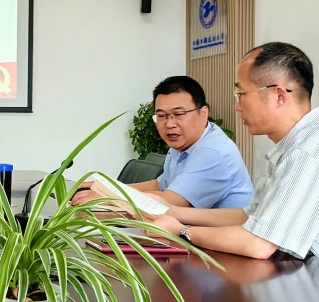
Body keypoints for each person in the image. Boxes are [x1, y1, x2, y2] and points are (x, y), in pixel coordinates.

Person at [152, 43, 319, 278]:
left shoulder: (307, 153)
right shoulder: (304, 141)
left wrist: (181, 231)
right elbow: (250, 217)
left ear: (279, 95)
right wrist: (173, 212)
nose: (237, 107)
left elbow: (259, 244)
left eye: (241, 94)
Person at [77, 76, 252, 209]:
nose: (169, 124)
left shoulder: (213, 152)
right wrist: (106, 188)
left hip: (218, 244)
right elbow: (161, 185)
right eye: (161, 116)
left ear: (203, 113)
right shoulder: (182, 143)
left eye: (179, 114)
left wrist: (108, 197)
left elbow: (169, 202)